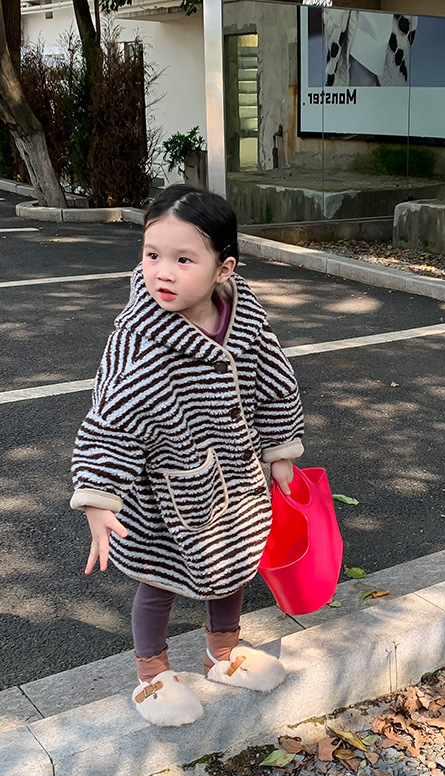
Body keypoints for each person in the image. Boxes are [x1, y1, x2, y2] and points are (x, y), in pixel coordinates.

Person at [70, 184, 304, 727]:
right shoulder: (140, 336)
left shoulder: (242, 318)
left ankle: (222, 653)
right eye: (152, 255)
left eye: (183, 259)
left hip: (237, 476)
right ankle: (152, 673)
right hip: (167, 487)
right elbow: (113, 418)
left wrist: (279, 452)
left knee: (235, 565)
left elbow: (273, 382)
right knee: (159, 579)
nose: (163, 273)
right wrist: (100, 497)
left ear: (224, 268)